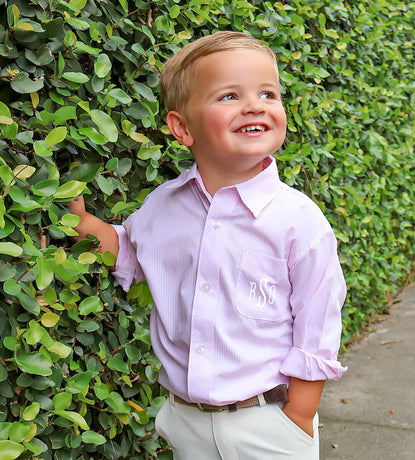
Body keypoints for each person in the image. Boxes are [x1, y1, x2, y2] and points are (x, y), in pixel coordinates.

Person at [69, 31, 347, 459]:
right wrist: (86, 225)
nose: (255, 105)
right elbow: (131, 250)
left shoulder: (299, 220)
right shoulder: (163, 205)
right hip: (186, 421)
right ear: (183, 127)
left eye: (268, 93)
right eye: (229, 96)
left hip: (267, 420)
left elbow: (317, 324)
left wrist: (300, 414)